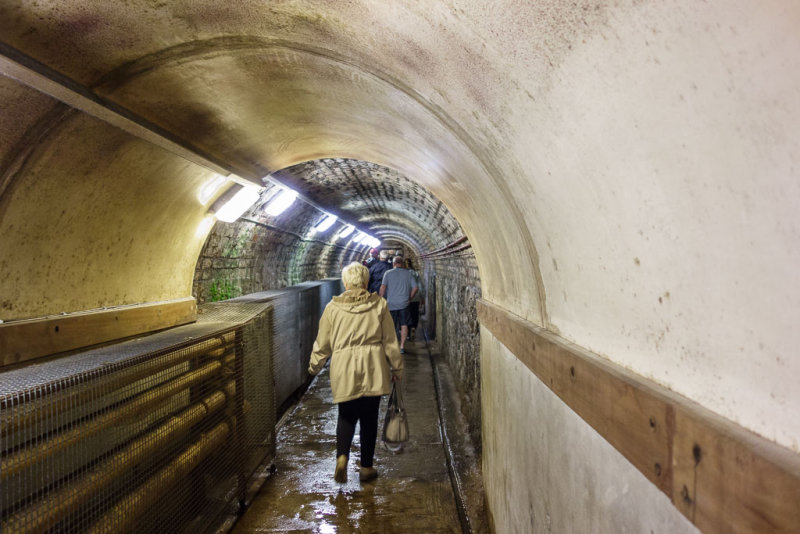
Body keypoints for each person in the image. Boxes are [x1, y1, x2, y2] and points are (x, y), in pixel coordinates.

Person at [308, 262, 403, 483]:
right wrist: (397, 367)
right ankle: (367, 467)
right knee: (369, 418)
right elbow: (390, 341)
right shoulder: (379, 305)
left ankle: (342, 457)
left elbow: (323, 343)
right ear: (367, 281)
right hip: (374, 367)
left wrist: (314, 366)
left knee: (346, 415)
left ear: (345, 282)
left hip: (344, 367)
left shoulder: (333, 308)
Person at [380, 256, 418, 353]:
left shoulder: (387, 273)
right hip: (404, 303)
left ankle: (392, 345)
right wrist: (410, 298)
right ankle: (401, 346)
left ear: (393, 264)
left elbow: (383, 287)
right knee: (404, 324)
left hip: (391, 303)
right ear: (402, 263)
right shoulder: (409, 274)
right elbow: (415, 288)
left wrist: (381, 299)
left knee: (391, 325)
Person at [405, 259, 424, 339]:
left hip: (406, 297)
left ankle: (408, 332)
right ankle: (413, 327)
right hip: (415, 298)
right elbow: (420, 286)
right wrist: (422, 297)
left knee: (406, 314)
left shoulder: (403, 274)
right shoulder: (416, 274)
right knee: (415, 314)